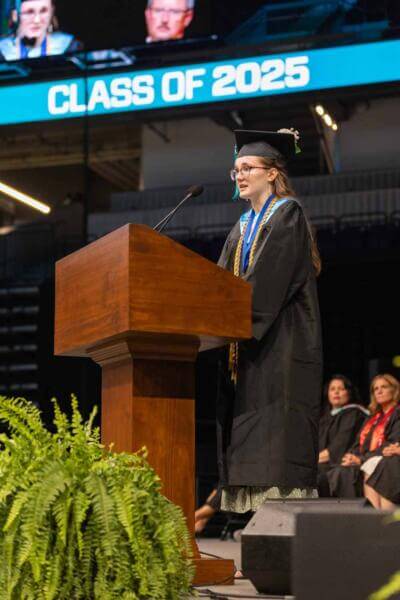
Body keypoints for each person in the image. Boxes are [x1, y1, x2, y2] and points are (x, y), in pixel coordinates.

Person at [216, 128, 323, 514]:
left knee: (278, 436)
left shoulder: (287, 214)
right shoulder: (240, 227)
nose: (240, 175)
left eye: (247, 167)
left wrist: (232, 318)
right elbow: (219, 283)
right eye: (236, 170)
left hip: (281, 344)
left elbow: (268, 283)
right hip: (248, 347)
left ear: (272, 172)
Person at [327, 373, 400, 499]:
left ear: (394, 390)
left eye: (384, 387)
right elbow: (357, 443)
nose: (379, 391)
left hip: (381, 461)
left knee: (343, 474)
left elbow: (391, 444)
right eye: (376, 389)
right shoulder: (373, 418)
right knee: (336, 471)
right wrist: (351, 456)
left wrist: (361, 459)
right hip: (364, 459)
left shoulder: (397, 414)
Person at [318, 375, 369, 496]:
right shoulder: (325, 418)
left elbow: (338, 447)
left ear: (349, 392)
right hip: (323, 463)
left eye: (341, 389)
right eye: (332, 389)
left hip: (340, 463)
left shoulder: (354, 414)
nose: (336, 392)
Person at [0, 0, 80, 61]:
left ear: (51, 12)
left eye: (43, 11)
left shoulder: (69, 46)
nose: (37, 20)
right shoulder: (3, 50)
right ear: (15, 15)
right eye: (29, 12)